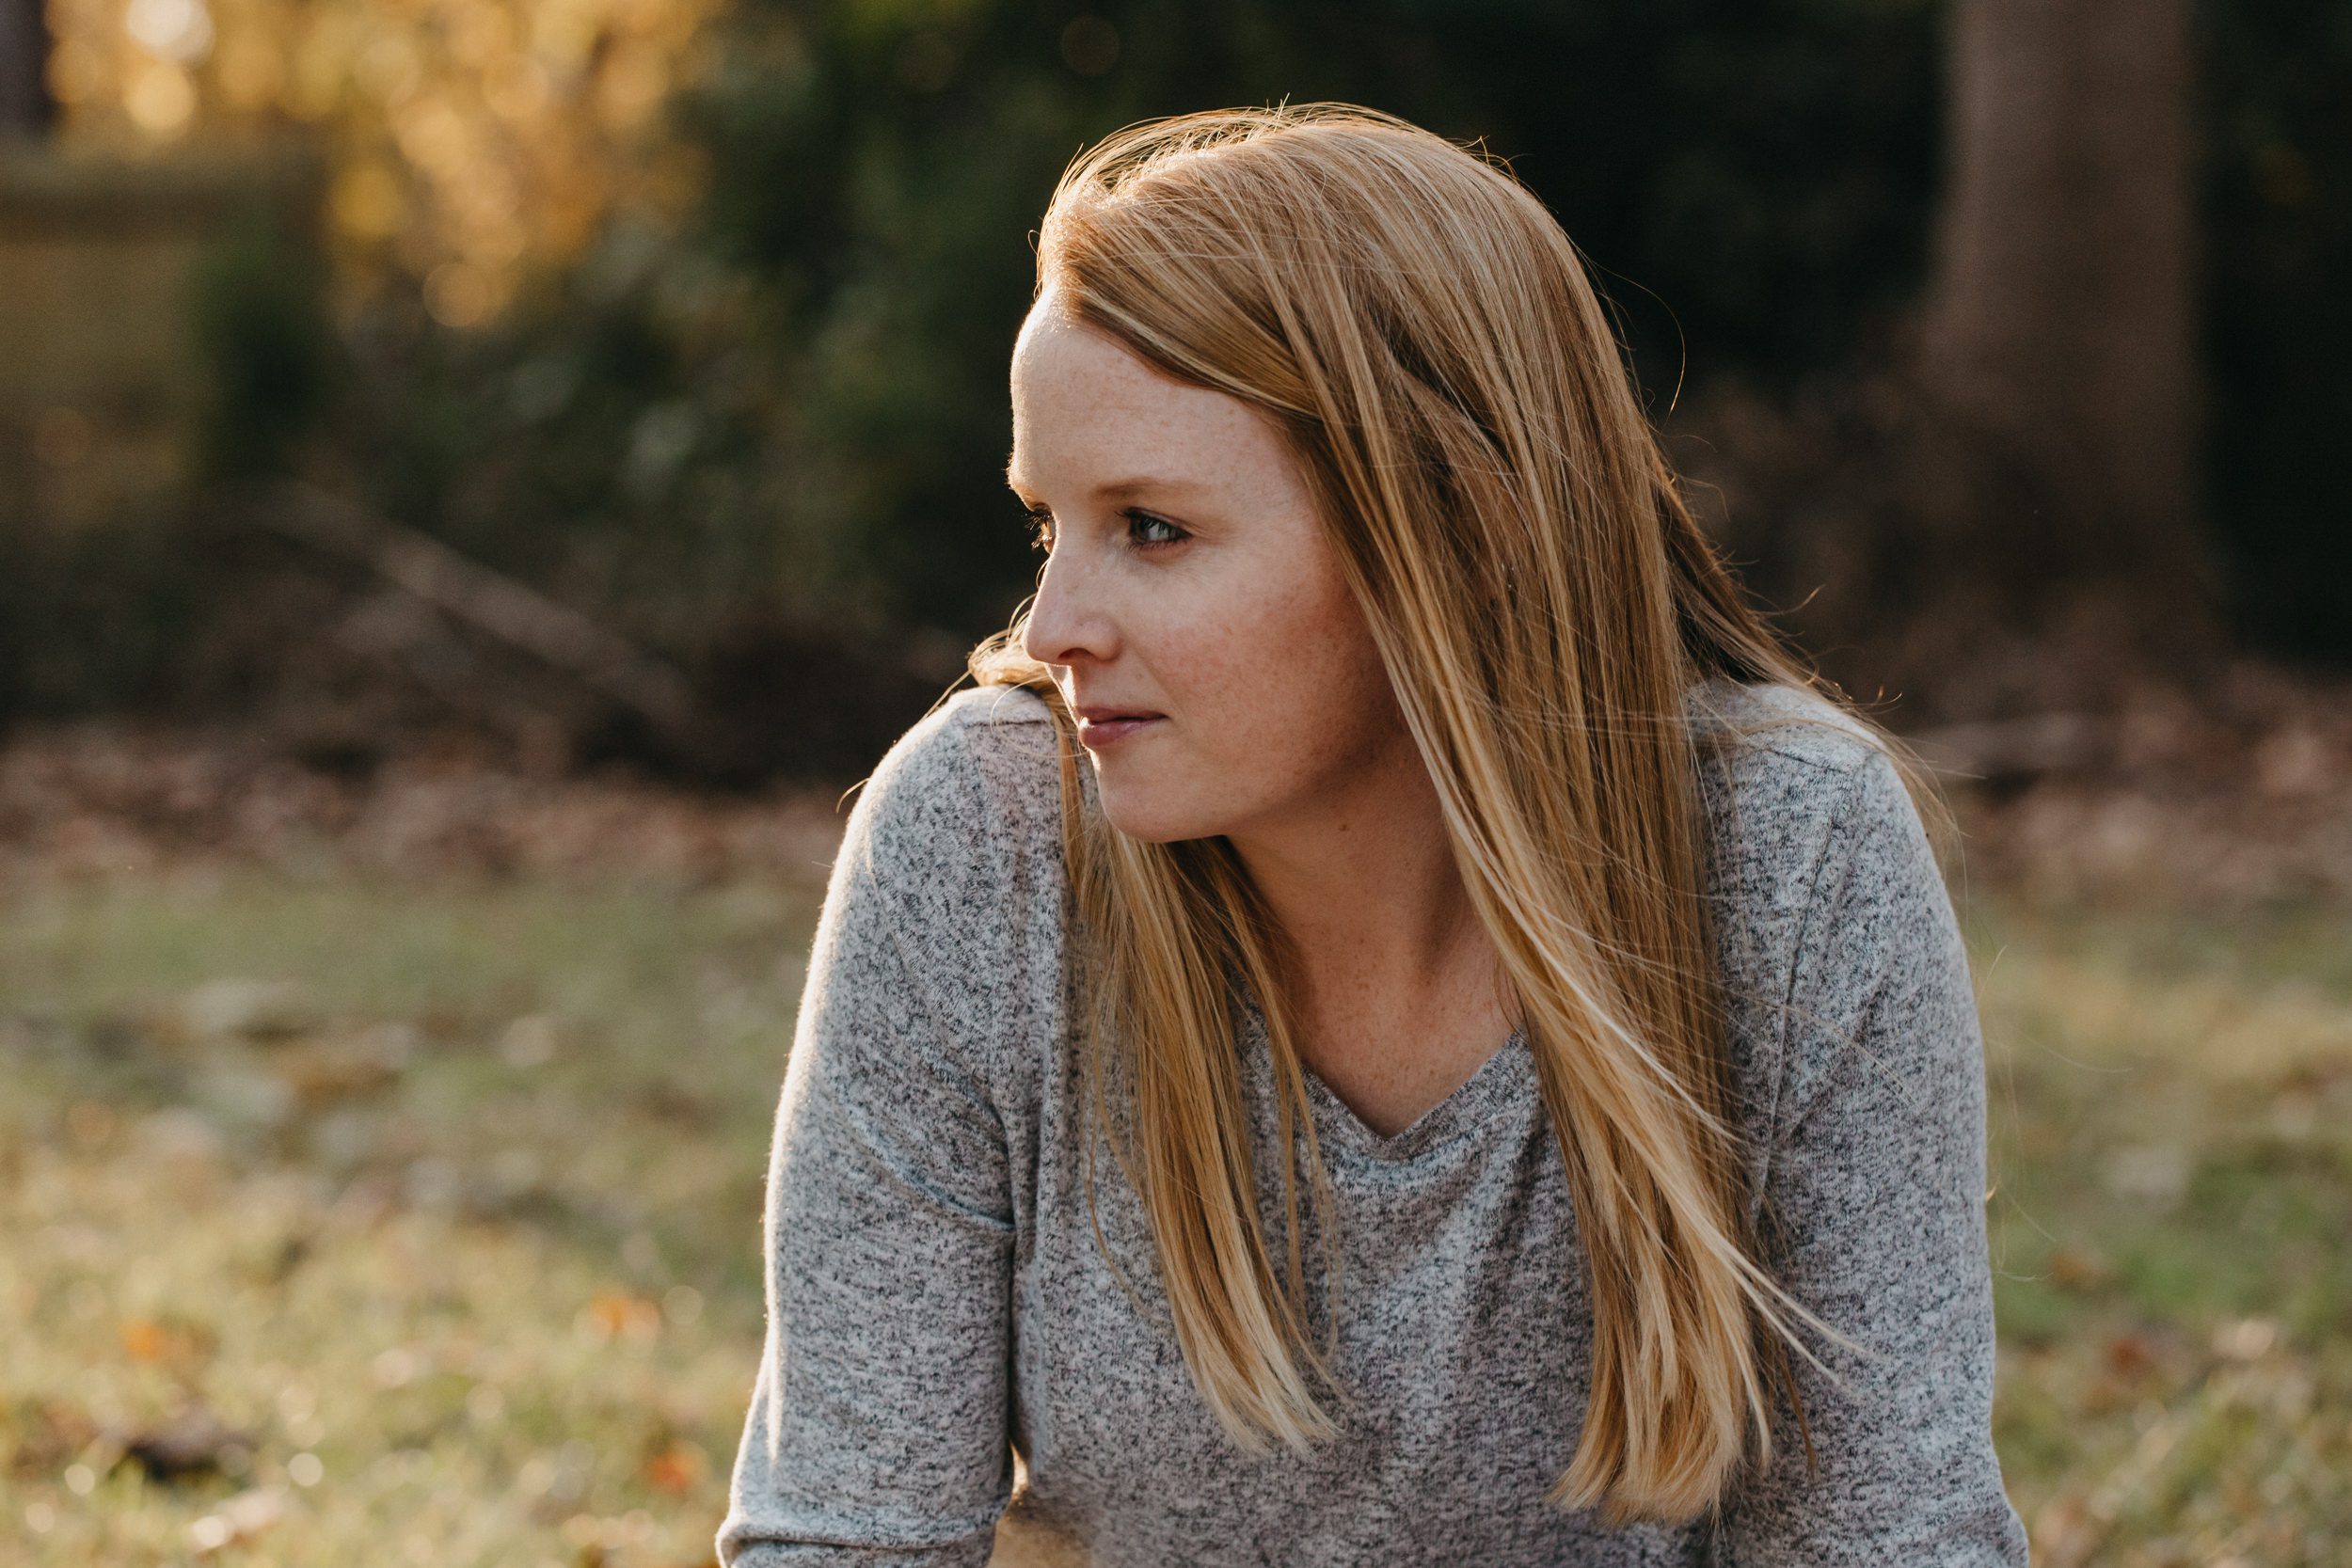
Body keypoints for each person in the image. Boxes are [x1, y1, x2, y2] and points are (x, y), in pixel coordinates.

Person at [717, 103, 2030, 1566]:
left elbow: (1887, 1540)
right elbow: (844, 1539)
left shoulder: (1789, 859)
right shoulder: (983, 842)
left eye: (1152, 527)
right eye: (1050, 528)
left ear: (1449, 534)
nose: (1052, 629)